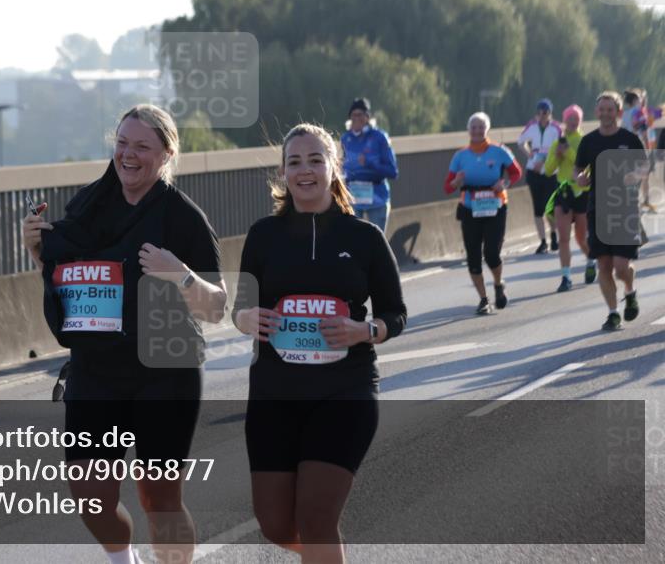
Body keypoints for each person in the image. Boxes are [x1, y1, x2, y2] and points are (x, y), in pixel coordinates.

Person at [22, 104, 227, 564]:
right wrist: (37, 251)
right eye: (121, 143)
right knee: (90, 499)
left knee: (159, 498)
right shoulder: (87, 205)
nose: (128, 155)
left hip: (165, 370)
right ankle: (124, 559)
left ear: (167, 153)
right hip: (97, 371)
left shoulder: (183, 217)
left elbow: (217, 307)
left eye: (141, 146)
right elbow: (68, 278)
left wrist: (182, 275)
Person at [232, 122, 406, 563]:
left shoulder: (364, 237)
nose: (304, 170)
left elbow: (395, 314)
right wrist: (246, 318)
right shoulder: (262, 236)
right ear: (283, 172)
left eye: (315, 160)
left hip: (344, 392)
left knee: (315, 518)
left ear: (333, 168)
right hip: (274, 394)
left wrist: (364, 331)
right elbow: (242, 308)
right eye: (294, 162)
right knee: (274, 524)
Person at [574, 91, 649, 331]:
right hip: (598, 209)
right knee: (603, 266)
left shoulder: (629, 138)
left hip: (625, 209)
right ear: (596, 112)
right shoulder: (589, 142)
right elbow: (578, 170)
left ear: (618, 112)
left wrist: (634, 175)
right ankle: (613, 312)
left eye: (610, 109)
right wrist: (580, 179)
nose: (606, 113)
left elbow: (645, 165)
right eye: (602, 109)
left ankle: (630, 290)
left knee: (620, 267)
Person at [445, 112, 523, 314]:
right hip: (470, 208)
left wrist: (504, 183)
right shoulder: (460, 156)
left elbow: (516, 173)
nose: (477, 131)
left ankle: (498, 284)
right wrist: (456, 182)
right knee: (473, 256)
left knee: (491, 253)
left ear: (487, 129)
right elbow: (447, 187)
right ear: (468, 130)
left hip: (495, 206)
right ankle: (483, 299)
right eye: (474, 127)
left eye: (481, 127)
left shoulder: (499, 151)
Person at [543, 104, 596, 291]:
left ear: (580, 121)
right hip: (563, 192)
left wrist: (569, 153)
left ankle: (591, 260)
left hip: (582, 191)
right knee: (563, 237)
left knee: (581, 237)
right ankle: (566, 277)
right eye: (569, 119)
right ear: (564, 121)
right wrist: (557, 156)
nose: (572, 122)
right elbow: (548, 170)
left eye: (576, 119)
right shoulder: (558, 142)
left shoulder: (584, 141)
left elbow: (585, 165)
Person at [341, 97, 398, 233]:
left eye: (360, 115)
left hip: (377, 199)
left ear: (367, 117)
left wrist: (369, 164)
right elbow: (343, 166)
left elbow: (393, 172)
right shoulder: (345, 138)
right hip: (353, 198)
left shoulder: (380, 137)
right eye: (353, 115)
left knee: (377, 244)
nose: (356, 118)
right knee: (354, 245)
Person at [518, 98, 562, 253]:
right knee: (538, 208)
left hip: (550, 171)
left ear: (550, 113)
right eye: (539, 112)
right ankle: (543, 241)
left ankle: (554, 235)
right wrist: (530, 155)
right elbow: (520, 141)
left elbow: (560, 148)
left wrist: (545, 162)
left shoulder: (555, 128)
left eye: (545, 112)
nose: (542, 115)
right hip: (534, 171)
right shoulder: (532, 126)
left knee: (550, 206)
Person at [623, 88, 657, 212]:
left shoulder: (625, 113)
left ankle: (635, 201)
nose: (641, 100)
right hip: (639, 146)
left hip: (627, 147)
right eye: (639, 98)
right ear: (635, 100)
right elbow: (641, 128)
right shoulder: (638, 112)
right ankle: (642, 201)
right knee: (643, 174)